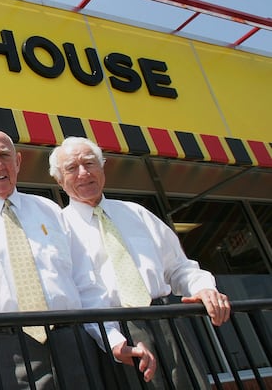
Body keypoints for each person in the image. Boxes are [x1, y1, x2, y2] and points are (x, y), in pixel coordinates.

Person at [0, 129, 156, 390]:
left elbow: (86, 284)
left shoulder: (50, 210)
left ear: (18, 162)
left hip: (72, 344)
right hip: (3, 350)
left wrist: (113, 340)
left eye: (5, 155)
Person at [48, 136, 231, 389]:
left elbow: (178, 266)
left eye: (89, 163)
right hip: (112, 330)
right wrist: (112, 340)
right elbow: (78, 294)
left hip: (168, 322)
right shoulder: (58, 228)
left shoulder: (137, 213)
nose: (83, 173)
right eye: (71, 168)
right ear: (59, 180)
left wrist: (203, 288)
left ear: (102, 167)